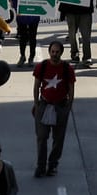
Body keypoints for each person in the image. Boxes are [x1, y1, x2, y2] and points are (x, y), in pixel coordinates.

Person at [32, 39, 76, 177]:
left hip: (60, 105)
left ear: (61, 53)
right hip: (44, 104)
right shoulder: (42, 66)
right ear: (49, 51)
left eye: (57, 52)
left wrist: (69, 106)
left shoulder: (67, 69)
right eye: (52, 51)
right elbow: (36, 85)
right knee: (42, 136)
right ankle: (40, 166)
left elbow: (71, 88)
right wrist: (36, 103)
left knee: (58, 139)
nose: (54, 54)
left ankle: (52, 165)